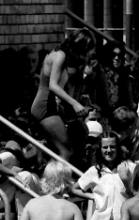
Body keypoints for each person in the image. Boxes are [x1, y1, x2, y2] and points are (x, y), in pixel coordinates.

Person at [30, 29, 95, 161]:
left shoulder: (63, 55)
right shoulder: (60, 56)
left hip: (51, 106)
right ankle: (59, 181)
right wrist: (74, 103)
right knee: (66, 151)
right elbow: (53, 86)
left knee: (74, 136)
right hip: (44, 107)